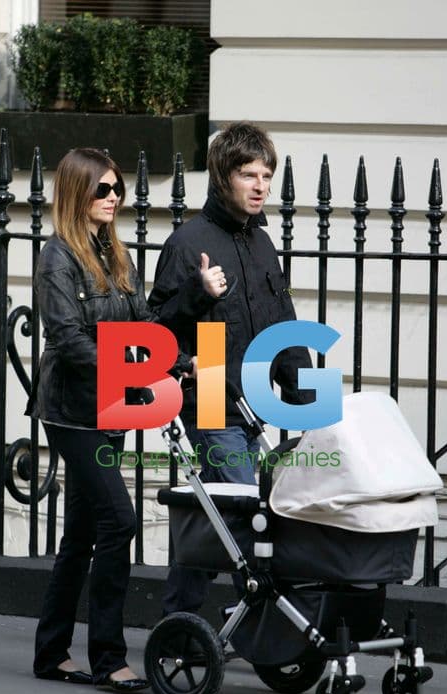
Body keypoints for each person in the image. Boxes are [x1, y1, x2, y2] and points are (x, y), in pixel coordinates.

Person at [27, 148, 190, 694]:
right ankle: (109, 657)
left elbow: (142, 321)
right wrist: (131, 373)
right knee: (119, 520)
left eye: (116, 188)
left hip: (108, 408)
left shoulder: (114, 254)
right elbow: (68, 340)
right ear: (77, 194)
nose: (113, 197)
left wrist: (178, 359)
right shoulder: (58, 258)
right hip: (72, 412)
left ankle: (51, 652)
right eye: (102, 189)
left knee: (80, 533)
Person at [148, 121, 313, 615]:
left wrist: (309, 404)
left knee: (230, 513)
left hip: (254, 402)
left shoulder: (262, 244)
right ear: (223, 178)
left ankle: (191, 620)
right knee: (241, 508)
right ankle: (231, 618)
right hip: (213, 401)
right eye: (248, 174)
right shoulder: (188, 242)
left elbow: (284, 323)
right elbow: (155, 330)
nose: (261, 185)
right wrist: (199, 293)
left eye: (266, 175)